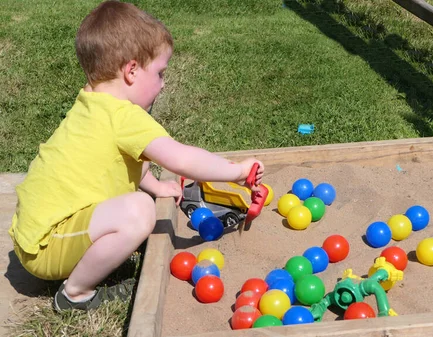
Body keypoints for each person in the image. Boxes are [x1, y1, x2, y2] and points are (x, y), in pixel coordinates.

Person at [8, 0, 264, 312]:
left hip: (40, 230)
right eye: (159, 73)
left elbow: (121, 160)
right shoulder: (124, 118)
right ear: (131, 70)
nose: (163, 83)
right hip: (45, 247)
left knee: (142, 202)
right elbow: (180, 159)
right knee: (139, 212)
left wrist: (156, 187)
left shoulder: (93, 102)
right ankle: (74, 294)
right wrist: (237, 171)